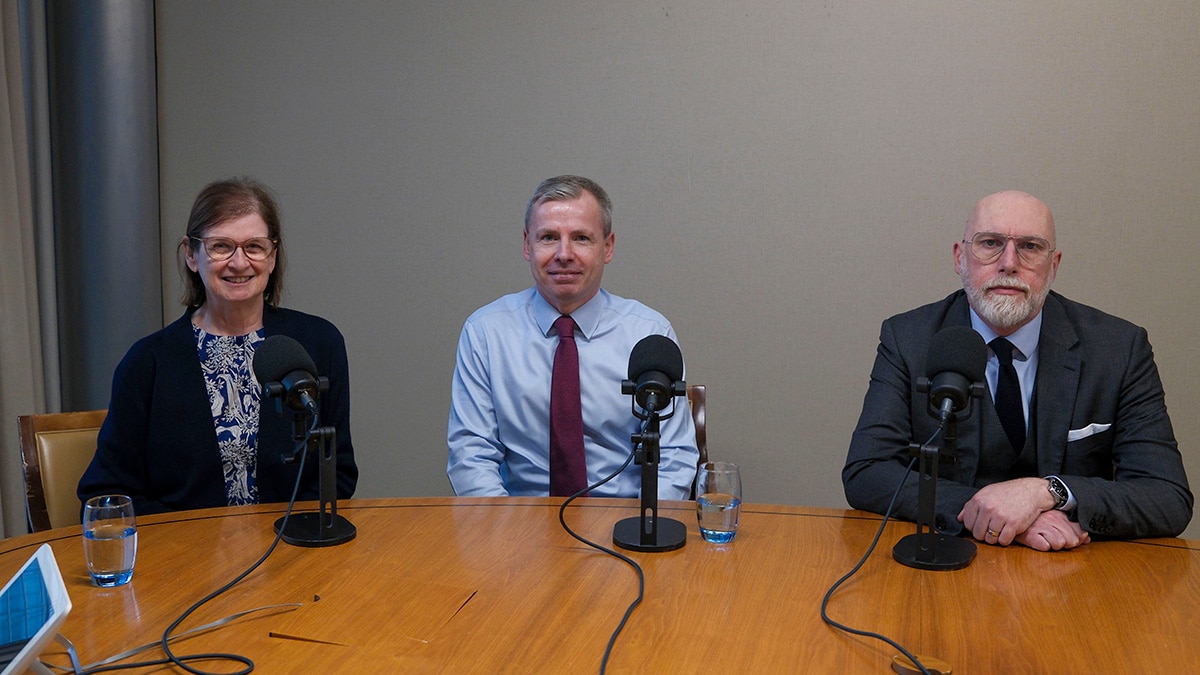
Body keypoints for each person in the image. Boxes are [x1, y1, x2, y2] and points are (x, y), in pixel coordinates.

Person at [844, 190, 1191, 551]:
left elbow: (1167, 496)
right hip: (946, 565)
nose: (1009, 263)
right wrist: (1000, 516)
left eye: (1030, 247)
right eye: (990, 243)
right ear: (960, 258)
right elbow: (867, 472)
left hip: (1071, 578)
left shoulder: (1119, 349)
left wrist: (1047, 493)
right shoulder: (908, 339)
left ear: (1053, 265)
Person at [78, 178, 357, 515]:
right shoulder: (147, 363)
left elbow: (337, 475)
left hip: (292, 552)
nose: (239, 263)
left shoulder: (318, 343)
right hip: (185, 559)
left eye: (254, 246)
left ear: (272, 257)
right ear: (192, 255)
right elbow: (106, 495)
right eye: (221, 246)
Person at [447, 175, 699, 499]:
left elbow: (674, 458)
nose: (564, 254)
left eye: (581, 238)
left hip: (623, 529)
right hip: (519, 527)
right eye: (549, 237)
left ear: (607, 247)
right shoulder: (485, 333)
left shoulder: (649, 334)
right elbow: (471, 457)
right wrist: (505, 539)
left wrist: (640, 533)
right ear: (527, 245)